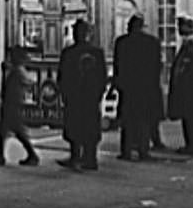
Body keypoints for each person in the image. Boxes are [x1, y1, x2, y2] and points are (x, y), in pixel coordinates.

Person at [57, 19, 107, 170]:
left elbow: (62, 76)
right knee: (89, 127)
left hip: (76, 96)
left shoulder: (69, 53)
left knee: (76, 127)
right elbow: (102, 76)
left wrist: (64, 93)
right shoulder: (97, 53)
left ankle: (77, 156)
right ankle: (89, 158)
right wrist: (99, 93)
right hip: (89, 96)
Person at [113, 14, 162, 161]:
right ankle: (143, 150)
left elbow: (118, 66)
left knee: (127, 120)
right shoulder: (152, 42)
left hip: (128, 88)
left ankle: (126, 151)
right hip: (146, 87)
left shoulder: (122, 42)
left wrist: (117, 84)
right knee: (144, 120)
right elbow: (156, 66)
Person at [0, 46, 39, 167]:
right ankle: (1, 155)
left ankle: (31, 154)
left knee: (15, 130)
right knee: (5, 131)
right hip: (11, 103)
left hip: (12, 104)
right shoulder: (16, 71)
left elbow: (12, 87)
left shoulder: (17, 72)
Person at [167, 14, 193, 153]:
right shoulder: (188, 44)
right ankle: (191, 143)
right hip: (186, 87)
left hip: (188, 88)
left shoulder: (191, 45)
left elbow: (187, 67)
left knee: (190, 118)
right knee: (188, 118)